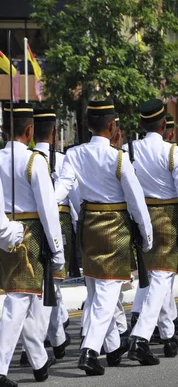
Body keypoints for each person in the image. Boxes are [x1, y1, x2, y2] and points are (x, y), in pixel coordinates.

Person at [55, 99, 153, 376]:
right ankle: (90, 350)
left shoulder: (74, 154)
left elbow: (63, 188)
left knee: (97, 289)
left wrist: (45, 207)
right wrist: (146, 234)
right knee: (108, 293)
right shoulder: (118, 157)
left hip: (88, 226)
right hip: (115, 227)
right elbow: (136, 202)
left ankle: (112, 347)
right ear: (112, 126)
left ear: (87, 125)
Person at [127, 99, 178, 364]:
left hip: (141, 218)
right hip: (168, 220)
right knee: (161, 279)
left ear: (140, 124)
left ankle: (169, 335)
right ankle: (141, 338)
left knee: (160, 279)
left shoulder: (128, 150)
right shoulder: (172, 152)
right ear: (165, 125)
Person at [0, 103, 64, 386]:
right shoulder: (35, 160)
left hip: (5, 233)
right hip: (30, 237)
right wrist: (57, 249)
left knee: (22, 296)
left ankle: (38, 362)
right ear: (29, 131)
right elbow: (49, 210)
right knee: (18, 300)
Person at [32, 108, 80, 359]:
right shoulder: (62, 160)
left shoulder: (29, 158)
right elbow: (75, 200)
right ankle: (48, 338)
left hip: (34, 223)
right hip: (58, 222)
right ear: (53, 132)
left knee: (47, 284)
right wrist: (76, 225)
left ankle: (53, 337)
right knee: (53, 283)